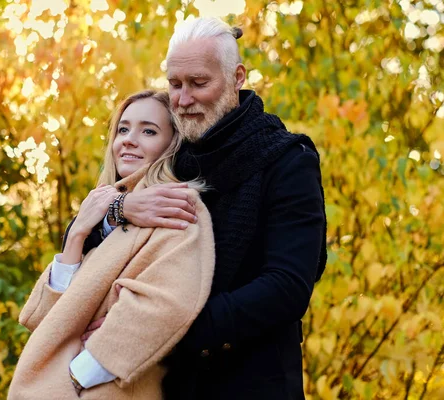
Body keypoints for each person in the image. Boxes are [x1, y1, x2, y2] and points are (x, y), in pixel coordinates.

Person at [81, 17, 328, 399]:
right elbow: (83, 235)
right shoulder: (170, 156)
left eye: (199, 84)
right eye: (174, 85)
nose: (182, 99)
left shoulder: (287, 160)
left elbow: (287, 287)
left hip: (252, 384)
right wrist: (121, 208)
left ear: (237, 77)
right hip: (164, 385)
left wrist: (161, 332)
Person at [7, 90, 215, 400]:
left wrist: (80, 373)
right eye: (123, 129)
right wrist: (77, 233)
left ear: (171, 143)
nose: (129, 139)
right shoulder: (107, 213)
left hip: (106, 389)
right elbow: (48, 319)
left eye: (148, 130)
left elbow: (163, 303)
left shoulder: (176, 205)